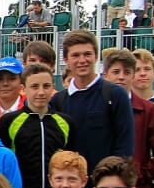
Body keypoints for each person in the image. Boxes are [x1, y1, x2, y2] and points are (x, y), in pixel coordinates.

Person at [0, 63, 76, 188]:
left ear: (53, 88)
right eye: (34, 86)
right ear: (23, 89)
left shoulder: (65, 122)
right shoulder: (10, 121)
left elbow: (73, 164)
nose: (41, 92)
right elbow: (2, 165)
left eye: (46, 86)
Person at [50, 30, 134, 179]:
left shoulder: (116, 95)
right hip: (70, 187)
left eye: (87, 54)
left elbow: (124, 147)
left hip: (105, 187)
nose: (82, 60)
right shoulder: (58, 101)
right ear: (66, 60)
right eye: (75, 55)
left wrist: (107, 183)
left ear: (96, 56)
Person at [100, 49, 154, 188]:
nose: (121, 77)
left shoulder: (148, 110)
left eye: (127, 72)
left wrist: (139, 174)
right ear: (105, 75)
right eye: (116, 72)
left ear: (133, 76)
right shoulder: (95, 108)